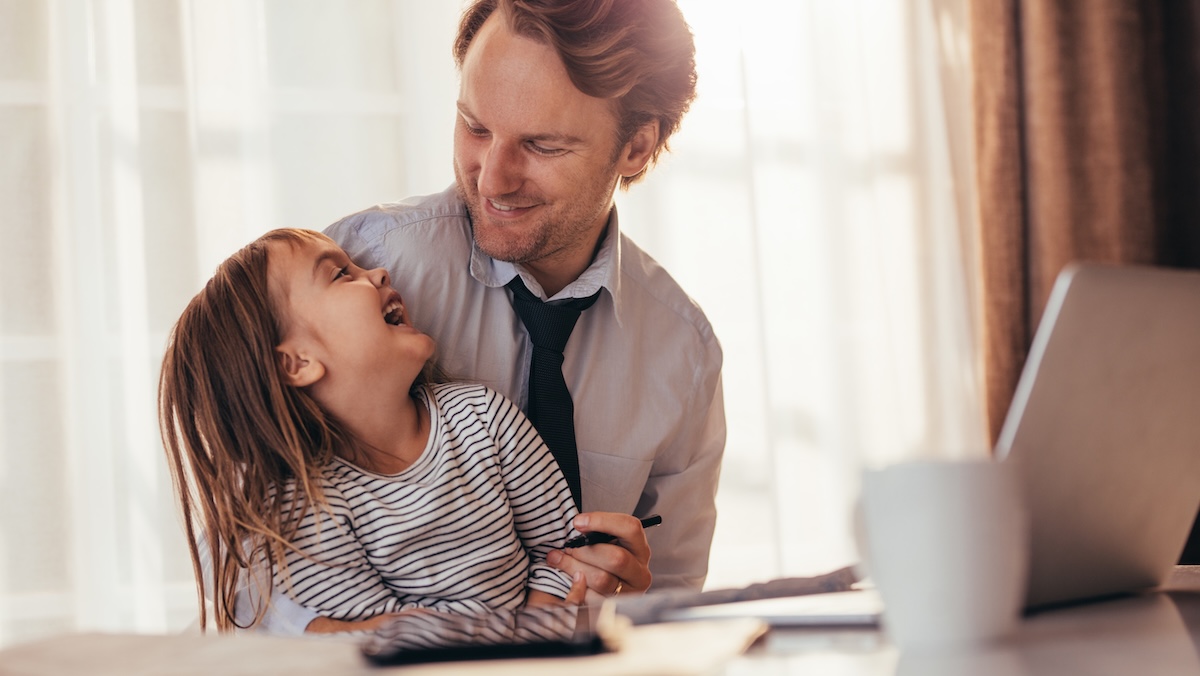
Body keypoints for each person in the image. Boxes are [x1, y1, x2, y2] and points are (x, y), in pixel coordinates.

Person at [328, 0, 724, 595]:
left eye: (542, 145)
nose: (492, 178)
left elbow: (673, 602)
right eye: (475, 126)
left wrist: (629, 598)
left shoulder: (682, 354)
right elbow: (248, 561)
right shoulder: (362, 268)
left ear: (636, 148)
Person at [158, 228, 588, 632]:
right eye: (342, 274)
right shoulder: (304, 510)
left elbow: (563, 552)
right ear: (297, 362)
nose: (379, 273)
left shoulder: (484, 418)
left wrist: (533, 645)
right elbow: (382, 637)